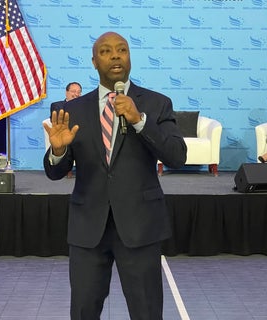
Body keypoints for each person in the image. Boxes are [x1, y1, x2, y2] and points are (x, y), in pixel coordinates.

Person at [42, 31, 187, 319]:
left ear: (129, 57)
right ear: (94, 61)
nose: (116, 55)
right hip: (88, 229)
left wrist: (139, 121)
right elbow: (55, 172)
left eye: (122, 50)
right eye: (106, 51)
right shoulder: (70, 110)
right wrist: (57, 152)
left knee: (147, 312)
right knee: (83, 311)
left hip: (140, 226)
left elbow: (177, 156)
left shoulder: (156, 104)